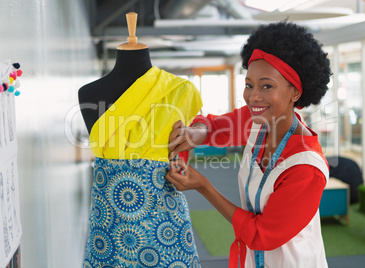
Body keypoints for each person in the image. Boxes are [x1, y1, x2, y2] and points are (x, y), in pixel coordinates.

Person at [167, 21, 332, 268]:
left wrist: (204, 186)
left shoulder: (307, 168)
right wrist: (196, 132)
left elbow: (260, 234)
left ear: (295, 92)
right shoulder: (259, 120)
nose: (253, 96)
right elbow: (212, 127)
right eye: (249, 84)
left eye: (267, 86)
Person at [78, 12, 203, 268]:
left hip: (165, 222)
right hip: (110, 224)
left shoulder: (180, 90)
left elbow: (201, 128)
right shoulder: (87, 94)